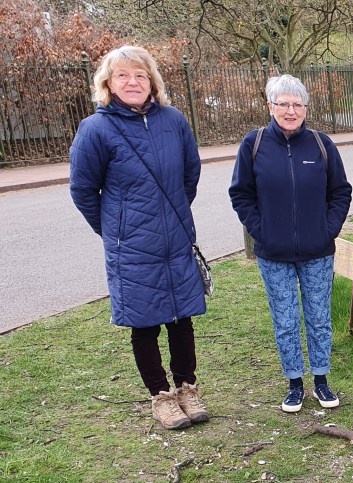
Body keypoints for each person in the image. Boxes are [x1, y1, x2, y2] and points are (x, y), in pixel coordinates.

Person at [69, 45, 209, 430]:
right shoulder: (96, 129)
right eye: (123, 76)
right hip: (131, 246)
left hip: (176, 240)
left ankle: (187, 388)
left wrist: (173, 216)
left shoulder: (174, 120)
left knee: (182, 318)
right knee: (144, 322)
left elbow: (189, 176)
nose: (132, 82)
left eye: (140, 75)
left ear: (152, 82)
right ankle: (161, 396)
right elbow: (83, 190)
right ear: (108, 83)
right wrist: (116, 230)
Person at [229, 74, 353, 413]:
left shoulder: (321, 145)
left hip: (317, 252)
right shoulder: (252, 145)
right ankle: (294, 383)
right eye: (283, 103)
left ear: (306, 108)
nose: (290, 110)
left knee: (319, 317)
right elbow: (241, 194)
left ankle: (322, 381)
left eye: (297, 104)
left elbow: (340, 191)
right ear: (270, 106)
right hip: (274, 254)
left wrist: (328, 230)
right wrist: (261, 231)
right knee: (285, 320)